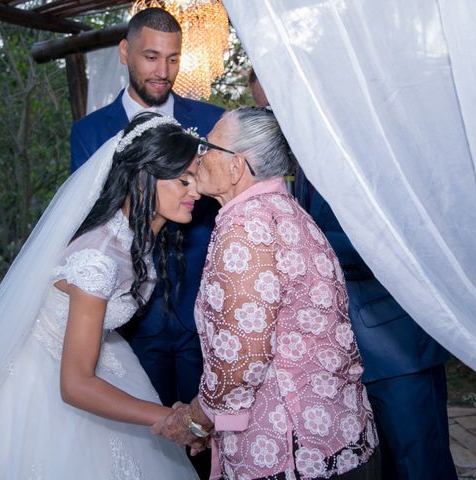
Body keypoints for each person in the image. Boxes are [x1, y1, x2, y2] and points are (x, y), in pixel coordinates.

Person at [0, 112, 203, 479]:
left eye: (195, 178)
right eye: (183, 180)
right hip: (45, 386)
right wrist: (167, 417)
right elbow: (75, 386)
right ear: (143, 177)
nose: (195, 192)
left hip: (101, 359)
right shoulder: (98, 259)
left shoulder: (135, 238)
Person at [250, 67, 456, 479]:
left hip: (396, 347)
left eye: (275, 109)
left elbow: (387, 245)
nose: (272, 122)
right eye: (264, 112)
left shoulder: (364, 150)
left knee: (421, 467)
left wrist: (296, 241)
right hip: (346, 356)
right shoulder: (299, 164)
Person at [153, 107, 380, 479]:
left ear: (236, 167)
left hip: (291, 448)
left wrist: (197, 420)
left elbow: (241, 361)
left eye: (208, 146)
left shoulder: (245, 228)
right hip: (336, 435)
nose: (199, 154)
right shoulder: (288, 212)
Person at [70, 7, 223, 417]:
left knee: (209, 438)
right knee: (150, 432)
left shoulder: (211, 121)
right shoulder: (90, 133)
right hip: (131, 318)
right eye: (151, 57)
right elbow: (89, 218)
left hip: (203, 312)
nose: (163, 70)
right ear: (125, 52)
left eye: (173, 58)